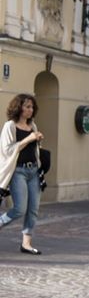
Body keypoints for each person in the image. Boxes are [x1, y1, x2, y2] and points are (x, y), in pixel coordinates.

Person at [0, 94, 46, 254]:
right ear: (18, 108)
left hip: (33, 170)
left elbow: (34, 150)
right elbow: (6, 151)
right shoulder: (10, 126)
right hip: (18, 171)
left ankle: (26, 244)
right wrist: (28, 139)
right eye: (27, 106)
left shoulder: (32, 125)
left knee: (33, 209)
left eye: (32, 107)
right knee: (19, 208)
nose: (30, 110)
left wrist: (37, 139)